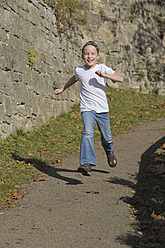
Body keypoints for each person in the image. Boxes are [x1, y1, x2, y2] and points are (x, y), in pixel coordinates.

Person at [54, 41, 123, 176]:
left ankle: (109, 152)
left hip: (102, 109)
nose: (89, 56)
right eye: (86, 54)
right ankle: (86, 163)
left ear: (97, 56)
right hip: (87, 108)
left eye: (92, 54)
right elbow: (74, 78)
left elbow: (119, 78)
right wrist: (63, 88)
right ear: (82, 56)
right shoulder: (79, 70)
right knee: (87, 133)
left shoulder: (102, 68)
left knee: (107, 138)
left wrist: (105, 76)